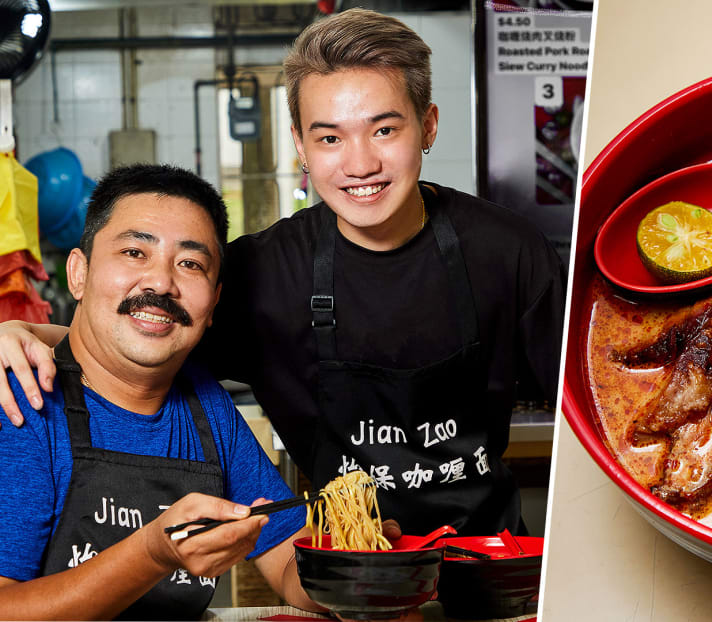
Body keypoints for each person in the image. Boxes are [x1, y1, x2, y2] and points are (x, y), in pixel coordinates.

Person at [0, 8, 565, 537]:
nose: (360, 164)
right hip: (345, 568)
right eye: (329, 138)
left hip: (492, 562)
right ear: (300, 144)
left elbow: (589, 410)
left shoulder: (507, 250)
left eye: (384, 131)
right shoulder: (262, 272)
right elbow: (144, 333)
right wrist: (21, 334)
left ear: (429, 125)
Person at [0, 164, 321, 620]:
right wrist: (152, 552)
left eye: (190, 264)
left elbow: (289, 561)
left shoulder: (207, 408)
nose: (161, 283)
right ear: (79, 273)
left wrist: (357, 568)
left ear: (214, 301)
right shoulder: (24, 402)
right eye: (135, 252)